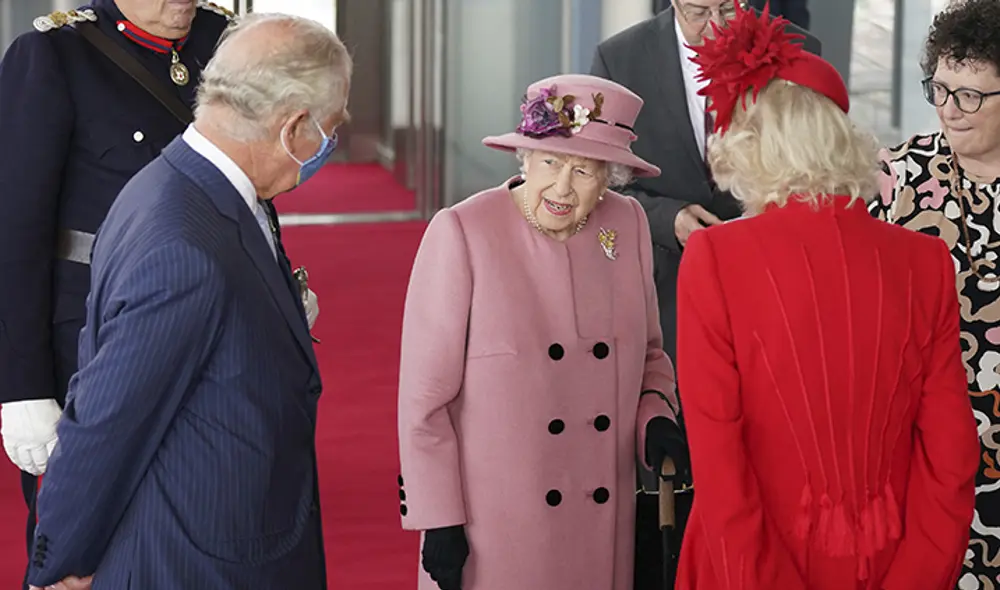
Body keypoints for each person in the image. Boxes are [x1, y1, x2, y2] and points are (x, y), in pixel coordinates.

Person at [23, 12, 351, 590]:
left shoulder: (179, 182)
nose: (332, 137)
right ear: (294, 126)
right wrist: (57, 565)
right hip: (199, 562)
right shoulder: (185, 247)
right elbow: (104, 423)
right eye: (332, 124)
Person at [674, 4, 979, 589]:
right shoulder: (924, 263)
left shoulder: (715, 259)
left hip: (746, 566)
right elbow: (952, 456)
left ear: (749, 143)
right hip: (891, 563)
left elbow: (718, 464)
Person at [396, 73, 688, 590]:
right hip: (497, 526)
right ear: (525, 157)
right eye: (550, 162)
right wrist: (438, 516)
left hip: (601, 519)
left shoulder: (627, 225)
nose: (561, 186)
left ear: (612, 177)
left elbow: (649, 358)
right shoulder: (463, 232)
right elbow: (424, 401)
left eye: (584, 170)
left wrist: (654, 419)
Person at [589, 3, 821, 585]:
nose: (714, 23)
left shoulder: (799, 52)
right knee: (678, 461)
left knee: (767, 459)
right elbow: (595, 183)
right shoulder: (621, 58)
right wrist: (669, 220)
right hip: (666, 293)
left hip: (772, 296)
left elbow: (817, 171)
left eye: (728, 6)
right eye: (698, 10)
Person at [869, 0, 1000, 585]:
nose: (949, 108)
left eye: (970, 94)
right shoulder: (895, 176)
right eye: (939, 89)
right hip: (922, 455)